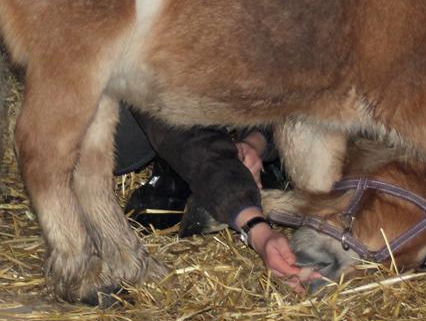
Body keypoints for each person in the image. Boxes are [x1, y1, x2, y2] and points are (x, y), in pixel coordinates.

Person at [114, 108, 315, 291]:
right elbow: (178, 121)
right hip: (134, 125)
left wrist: (255, 143)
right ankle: (184, 177)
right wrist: (256, 228)